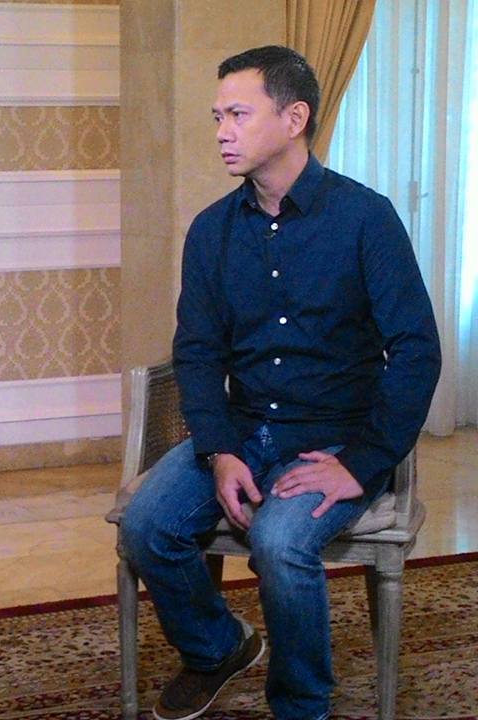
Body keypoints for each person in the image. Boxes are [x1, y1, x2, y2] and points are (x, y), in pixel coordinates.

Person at [120, 46, 441, 720]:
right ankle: (218, 648)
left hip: (335, 441)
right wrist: (219, 450)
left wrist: (361, 463)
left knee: (279, 540)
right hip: (241, 430)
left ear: (294, 118)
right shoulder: (212, 230)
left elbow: (416, 351)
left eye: (238, 114)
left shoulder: (366, 218)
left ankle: (301, 704)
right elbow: (197, 352)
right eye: (218, 116)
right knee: (148, 525)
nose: (222, 131)